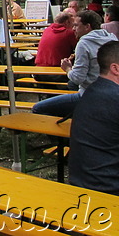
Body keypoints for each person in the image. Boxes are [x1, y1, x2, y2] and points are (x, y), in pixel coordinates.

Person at [33, 10, 117, 117]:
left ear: (87, 26)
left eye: (76, 26)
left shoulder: (84, 43)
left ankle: (63, 132)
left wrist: (67, 68)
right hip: (112, 94)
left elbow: (77, 78)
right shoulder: (112, 39)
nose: (73, 29)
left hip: (90, 95)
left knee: (38, 108)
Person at [68, 40, 119, 195]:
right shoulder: (114, 96)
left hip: (83, 181)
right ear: (115, 68)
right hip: (107, 188)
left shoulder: (93, 90)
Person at [34, 12, 77, 83]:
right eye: (72, 23)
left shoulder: (46, 30)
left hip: (39, 72)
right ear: (67, 22)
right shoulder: (69, 33)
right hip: (57, 72)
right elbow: (78, 48)